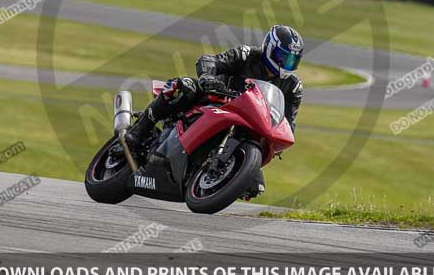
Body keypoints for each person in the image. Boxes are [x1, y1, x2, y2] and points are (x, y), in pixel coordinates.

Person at [125, 25, 304, 193]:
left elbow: (287, 121)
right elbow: (209, 61)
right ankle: (140, 128)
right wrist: (208, 78)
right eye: (284, 57)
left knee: (254, 187)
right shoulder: (247, 54)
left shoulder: (293, 86)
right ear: (270, 49)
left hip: (251, 120)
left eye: (293, 60)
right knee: (184, 86)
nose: (287, 64)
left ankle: (224, 172)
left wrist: (276, 142)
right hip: (216, 99)